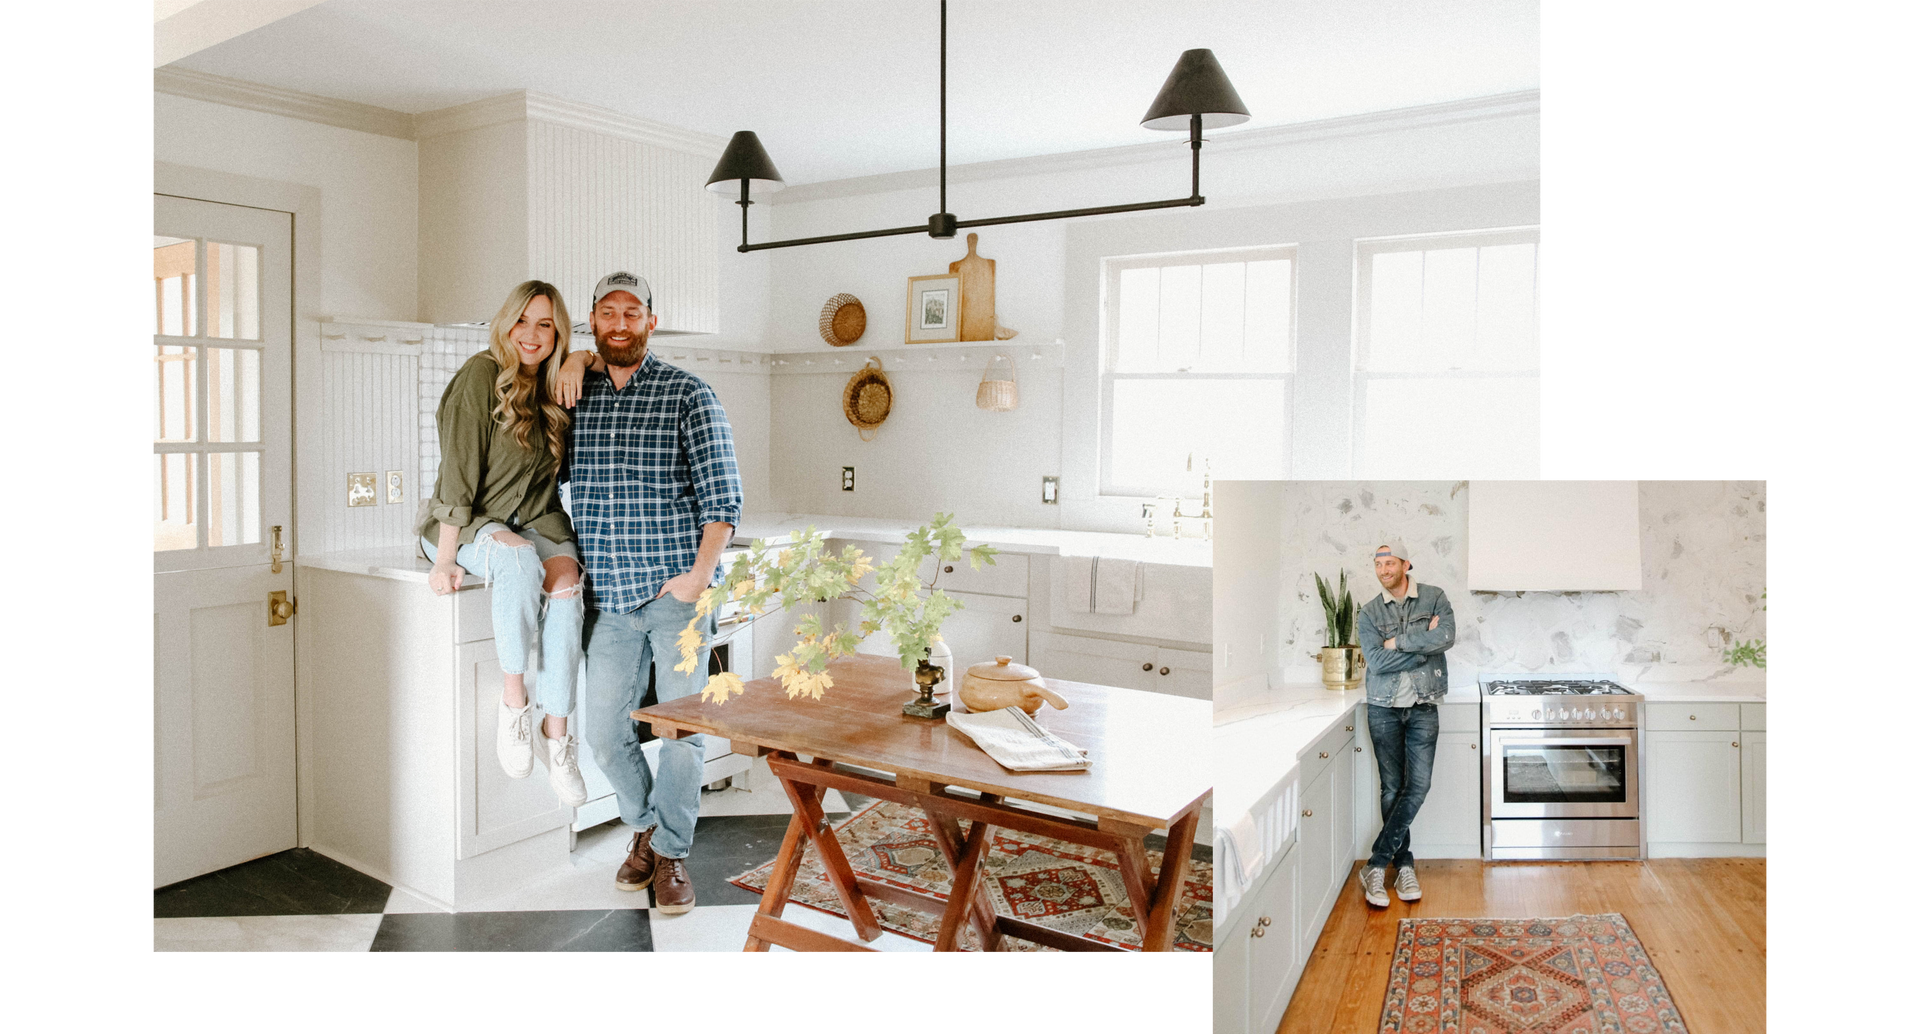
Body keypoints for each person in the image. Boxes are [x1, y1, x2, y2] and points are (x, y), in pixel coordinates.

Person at [557, 271, 742, 915]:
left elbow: (724, 498)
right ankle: (645, 829)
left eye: (632, 312)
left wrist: (697, 577)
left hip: (676, 597)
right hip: (606, 599)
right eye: (608, 312)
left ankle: (670, 855)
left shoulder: (689, 394)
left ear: (651, 322)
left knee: (682, 731)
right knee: (606, 735)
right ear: (592, 321)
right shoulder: (578, 394)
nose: (620, 322)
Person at [421, 281, 589, 808]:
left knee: (566, 588)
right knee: (515, 558)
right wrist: (446, 558)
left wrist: (581, 358)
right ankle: (514, 705)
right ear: (505, 323)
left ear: (558, 331)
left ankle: (557, 734)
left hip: (538, 519)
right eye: (523, 322)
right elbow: (458, 471)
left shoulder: (557, 384)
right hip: (472, 523)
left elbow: (617, 354)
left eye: (546, 325)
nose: (532, 335)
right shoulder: (481, 375)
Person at [1353, 539, 1456, 908]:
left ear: (1406, 565)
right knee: (1392, 788)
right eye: (1378, 564)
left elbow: (1445, 637)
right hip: (1383, 707)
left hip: (1423, 705)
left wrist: (1397, 642)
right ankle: (1404, 865)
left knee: (1419, 785)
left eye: (1390, 563)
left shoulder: (1434, 597)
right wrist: (1419, 650)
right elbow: (1376, 663)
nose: (1383, 570)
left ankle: (1377, 863)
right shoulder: (1367, 613)